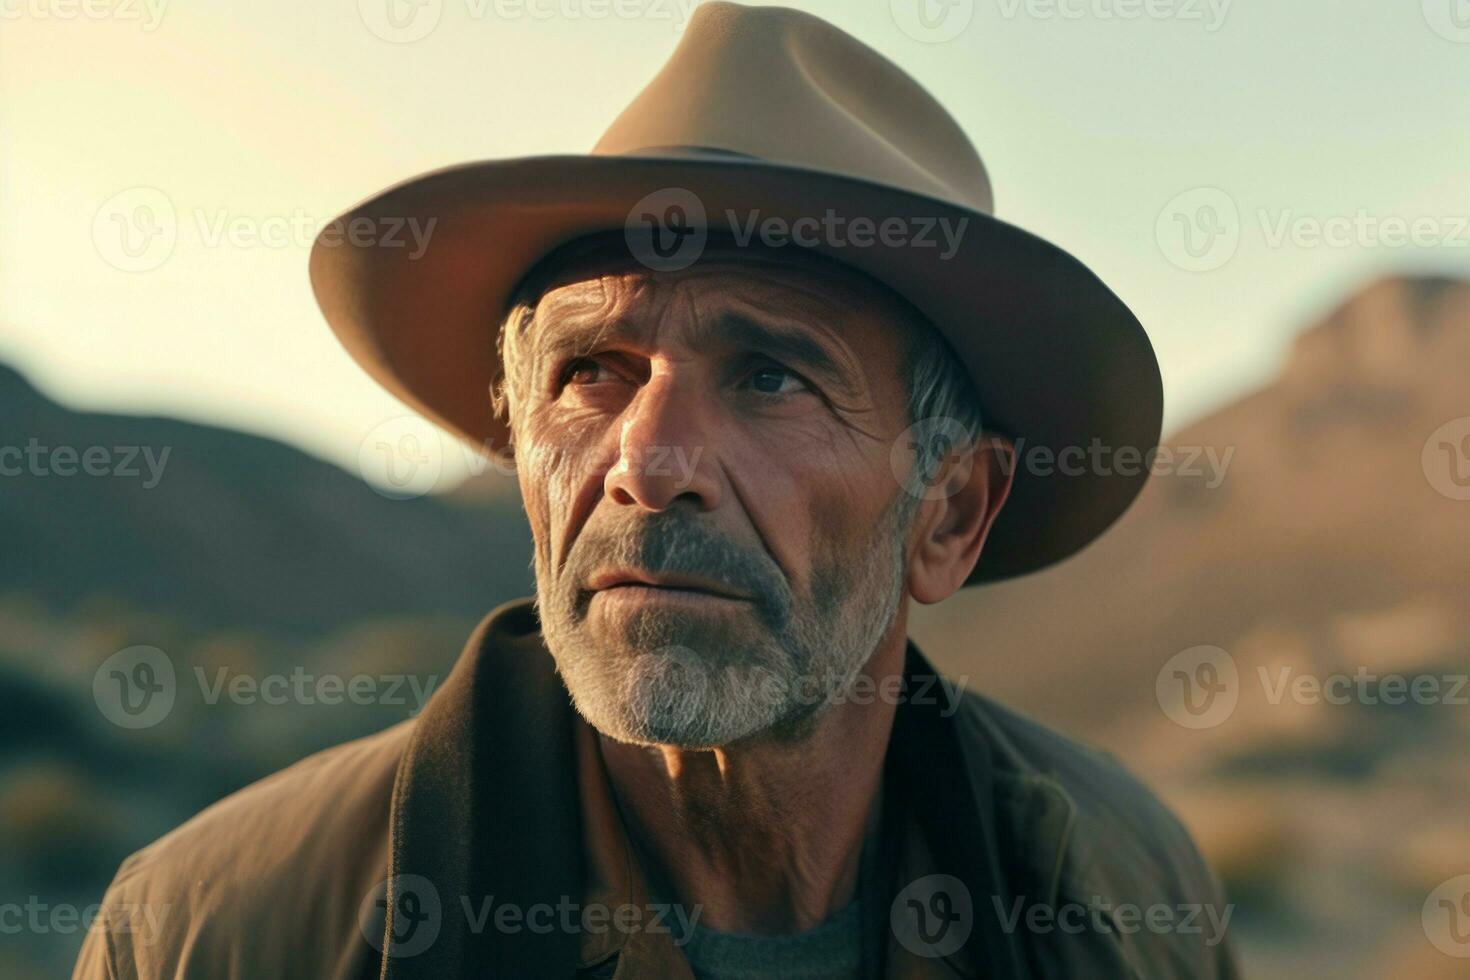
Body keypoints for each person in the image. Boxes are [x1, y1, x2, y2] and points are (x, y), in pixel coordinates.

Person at [76, 4, 1236, 977]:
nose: (647, 459)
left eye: (772, 375)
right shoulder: (215, 932)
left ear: (950, 510)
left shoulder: (1126, 892)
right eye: (592, 373)